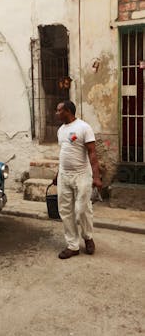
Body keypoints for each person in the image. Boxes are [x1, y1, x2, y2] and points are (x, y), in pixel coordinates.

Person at [53, 100, 102, 259]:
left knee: (81, 210)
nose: (56, 113)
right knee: (65, 210)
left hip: (82, 175)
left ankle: (87, 237)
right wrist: (58, 173)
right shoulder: (61, 130)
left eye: (59, 110)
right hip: (64, 175)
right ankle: (72, 245)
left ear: (67, 111)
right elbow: (64, 153)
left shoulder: (84, 127)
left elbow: (92, 153)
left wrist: (96, 176)